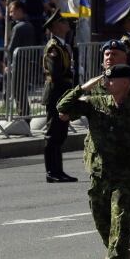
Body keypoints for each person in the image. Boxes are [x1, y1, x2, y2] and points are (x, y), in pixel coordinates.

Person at [56, 64, 130, 259]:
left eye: (113, 79)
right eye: (106, 79)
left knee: (120, 221)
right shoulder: (95, 104)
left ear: (127, 83)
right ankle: (121, 251)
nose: (107, 82)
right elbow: (62, 107)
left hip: (126, 176)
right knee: (102, 221)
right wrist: (84, 87)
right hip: (99, 175)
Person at [42, 9, 77, 183]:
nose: (67, 24)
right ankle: (51, 172)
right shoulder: (53, 47)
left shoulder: (63, 45)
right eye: (63, 22)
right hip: (56, 94)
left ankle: (59, 171)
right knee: (53, 134)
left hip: (63, 93)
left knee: (60, 134)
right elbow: (56, 74)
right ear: (55, 27)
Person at [5, 1, 36, 118]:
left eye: (12, 11)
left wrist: (7, 60)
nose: (11, 14)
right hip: (26, 61)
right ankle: (25, 115)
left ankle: (23, 115)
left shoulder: (18, 27)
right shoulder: (29, 25)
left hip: (18, 62)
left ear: (19, 10)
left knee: (18, 91)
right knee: (22, 90)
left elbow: (12, 47)